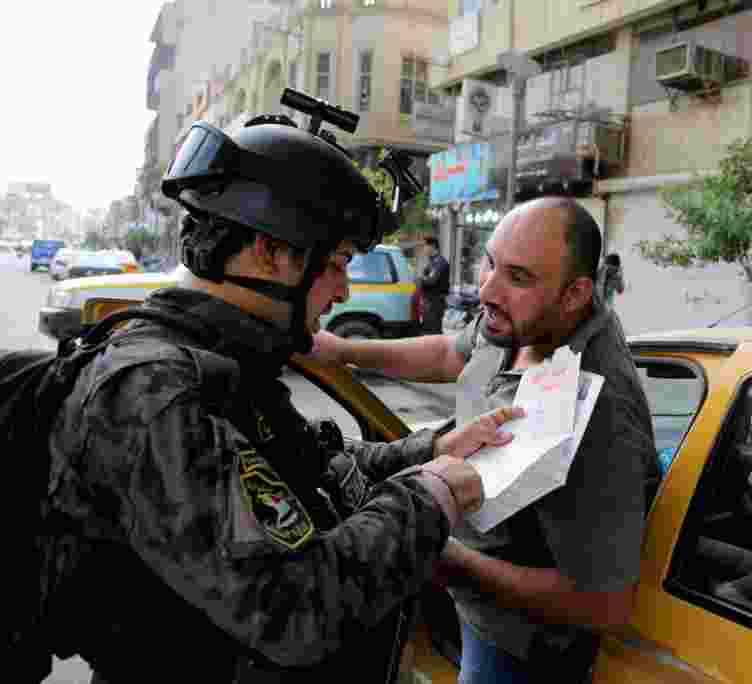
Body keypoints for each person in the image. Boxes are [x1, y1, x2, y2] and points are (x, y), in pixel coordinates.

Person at [44, 112, 526, 684]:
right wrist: (434, 495)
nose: (345, 289)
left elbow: (318, 469)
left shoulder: (228, 368)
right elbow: (293, 609)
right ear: (273, 253)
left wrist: (435, 447)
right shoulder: (153, 393)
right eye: (339, 263)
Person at [308, 196, 660, 683]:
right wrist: (343, 350)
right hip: (468, 599)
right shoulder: (526, 317)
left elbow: (602, 605)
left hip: (514, 645)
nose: (487, 290)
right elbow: (451, 354)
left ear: (576, 293)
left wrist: (442, 553)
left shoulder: (600, 415)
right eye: (490, 262)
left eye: (518, 276)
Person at [417, 236, 450, 335]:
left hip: (434, 302)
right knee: (429, 330)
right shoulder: (432, 262)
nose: (424, 249)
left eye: (425, 246)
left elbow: (431, 280)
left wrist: (419, 279)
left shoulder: (439, 262)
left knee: (433, 332)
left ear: (432, 247)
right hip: (429, 302)